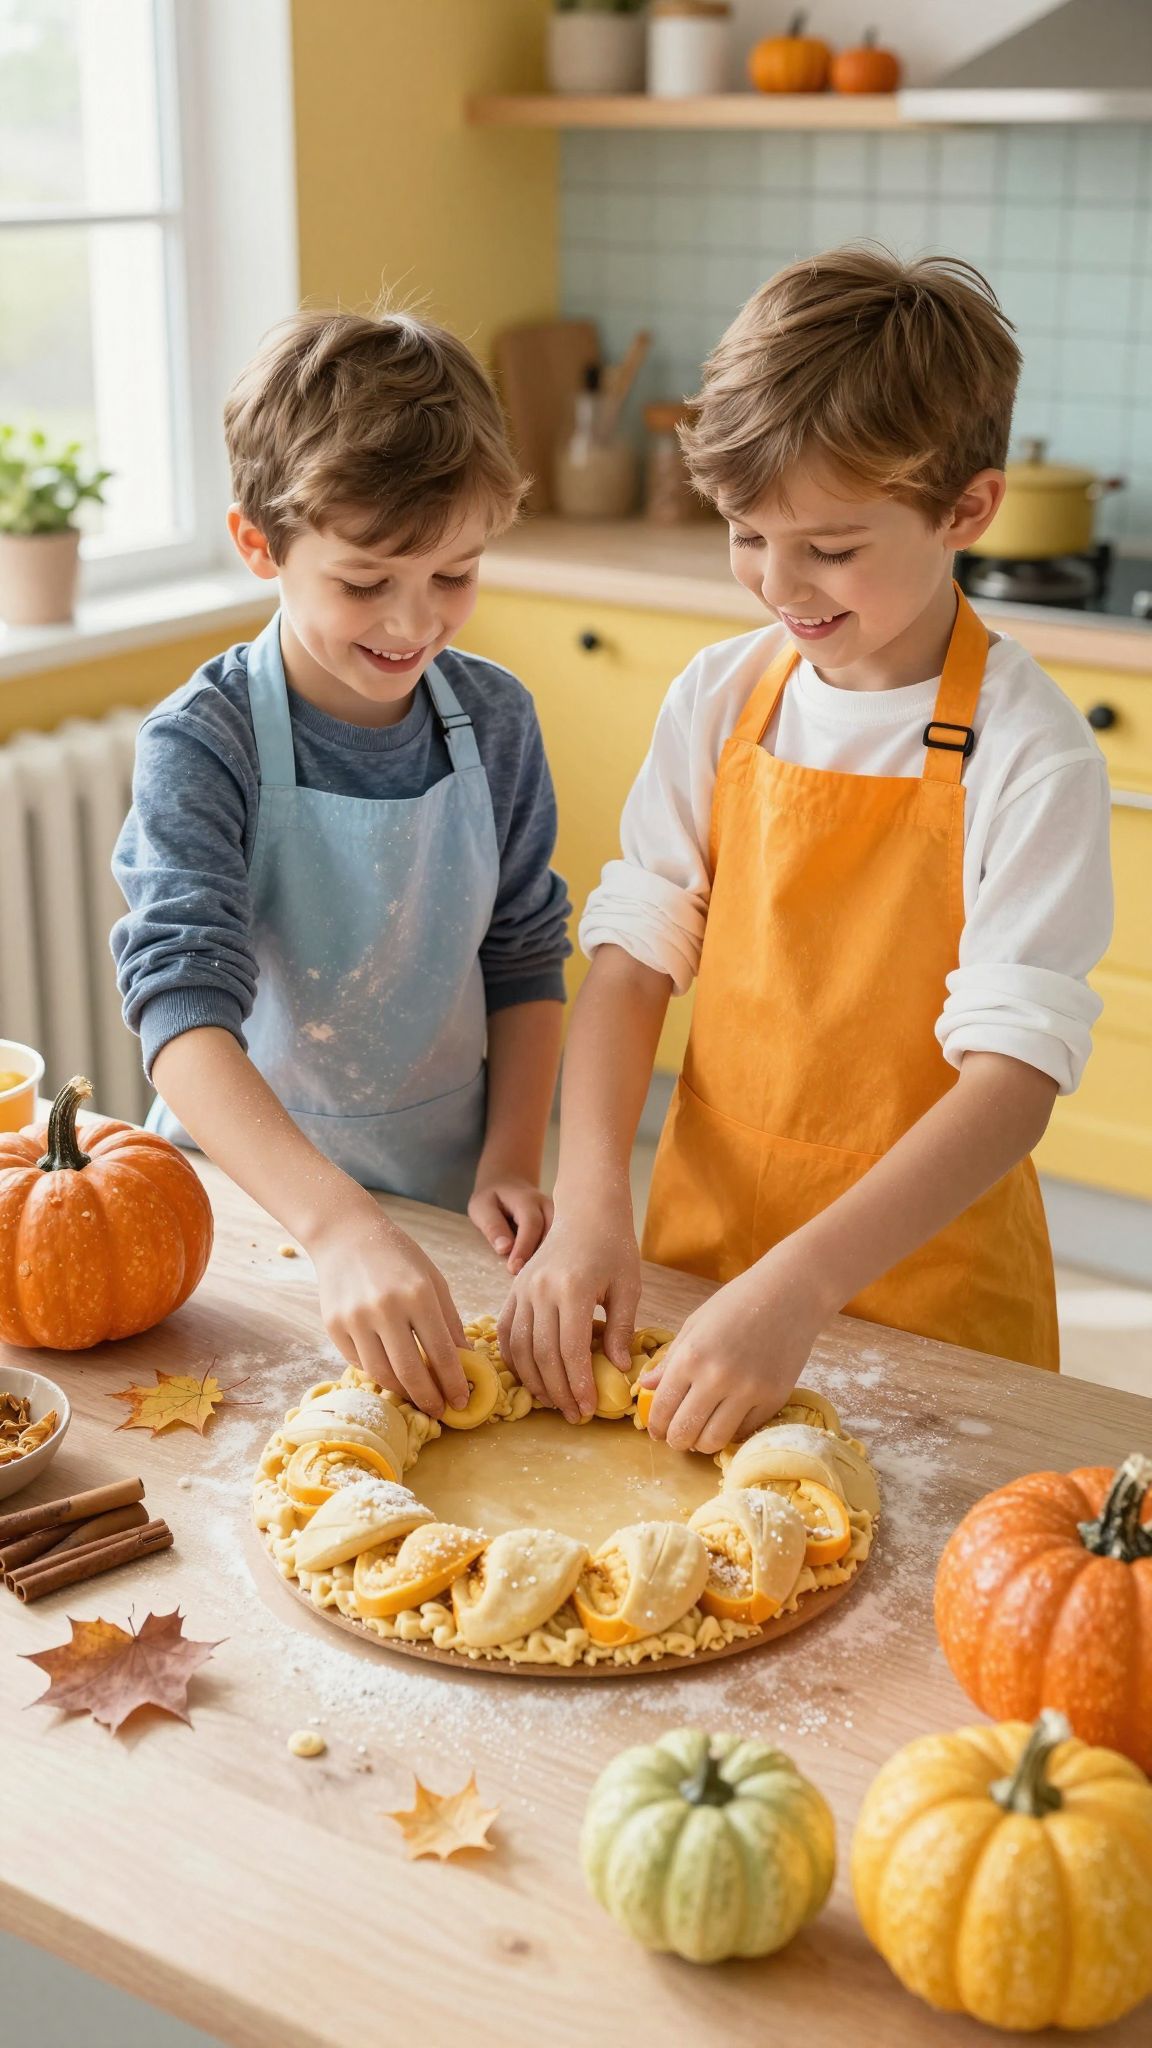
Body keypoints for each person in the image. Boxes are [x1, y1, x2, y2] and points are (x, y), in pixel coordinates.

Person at [500, 249, 1112, 1449]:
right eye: (744, 532)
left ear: (968, 510)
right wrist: (589, 1207)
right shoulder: (721, 696)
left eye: (829, 548)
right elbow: (630, 968)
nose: (779, 583)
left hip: (933, 1300)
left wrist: (799, 1286)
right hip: (703, 1257)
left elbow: (1009, 1088)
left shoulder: (1030, 752)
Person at [113, 309, 570, 1417]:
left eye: (454, 574)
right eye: (366, 583)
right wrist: (333, 1224)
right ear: (260, 544)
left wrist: (512, 1156)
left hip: (440, 1209)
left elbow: (523, 953)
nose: (415, 622)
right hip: (252, 1212)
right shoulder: (203, 741)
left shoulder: (495, 720)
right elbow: (180, 1013)